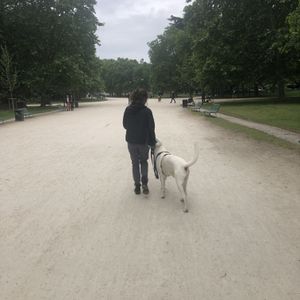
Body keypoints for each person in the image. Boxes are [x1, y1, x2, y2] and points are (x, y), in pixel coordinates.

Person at [123, 88, 156, 195]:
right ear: (145, 99)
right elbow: (151, 128)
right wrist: (153, 142)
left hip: (131, 141)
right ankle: (145, 184)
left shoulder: (128, 110)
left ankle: (137, 186)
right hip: (143, 142)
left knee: (134, 163)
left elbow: (125, 125)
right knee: (143, 161)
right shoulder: (147, 111)